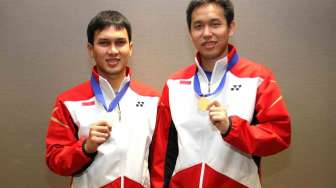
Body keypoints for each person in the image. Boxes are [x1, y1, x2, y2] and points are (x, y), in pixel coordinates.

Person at [149, 0, 291, 188]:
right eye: (198, 26)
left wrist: (231, 128)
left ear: (231, 27)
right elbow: (163, 151)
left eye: (215, 24)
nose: (207, 33)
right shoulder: (174, 84)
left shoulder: (258, 78)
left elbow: (280, 136)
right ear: (189, 32)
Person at [45, 10, 159, 188]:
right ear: (90, 49)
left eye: (120, 42)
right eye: (104, 43)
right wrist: (85, 148)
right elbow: (55, 161)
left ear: (131, 48)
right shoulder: (68, 102)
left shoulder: (153, 100)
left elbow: (159, 162)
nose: (113, 51)